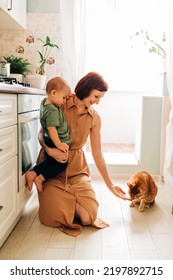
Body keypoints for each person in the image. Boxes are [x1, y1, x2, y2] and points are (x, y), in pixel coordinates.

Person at [37, 72, 130, 236]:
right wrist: (50, 150)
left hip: (77, 170)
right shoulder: (62, 102)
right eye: (96, 96)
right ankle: (65, 201)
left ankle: (71, 203)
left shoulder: (95, 118)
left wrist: (110, 185)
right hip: (51, 167)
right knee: (51, 215)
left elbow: (98, 153)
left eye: (100, 98)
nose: (97, 102)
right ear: (87, 88)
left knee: (88, 218)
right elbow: (41, 133)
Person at [25, 77, 71, 192]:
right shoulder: (52, 111)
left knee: (48, 162)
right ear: (54, 93)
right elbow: (51, 129)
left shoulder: (45, 102)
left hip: (48, 139)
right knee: (61, 164)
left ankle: (32, 173)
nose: (65, 101)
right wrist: (59, 144)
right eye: (64, 98)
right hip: (54, 140)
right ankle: (40, 178)